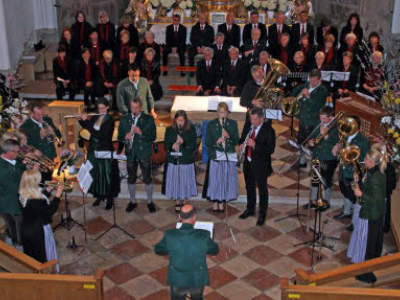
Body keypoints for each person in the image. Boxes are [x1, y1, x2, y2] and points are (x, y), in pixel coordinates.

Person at [154, 204, 219, 300]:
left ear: (179, 217)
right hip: (197, 279)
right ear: (194, 216)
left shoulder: (170, 235)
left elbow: (158, 250)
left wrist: (171, 248)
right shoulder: (204, 235)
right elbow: (215, 250)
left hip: (177, 278)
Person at [347, 146, 387, 283]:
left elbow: (375, 200)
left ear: (374, 162)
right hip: (369, 212)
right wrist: (359, 181)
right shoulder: (372, 171)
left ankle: (364, 272)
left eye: (368, 159)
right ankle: (360, 265)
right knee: (363, 240)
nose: (365, 161)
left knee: (366, 243)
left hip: (371, 215)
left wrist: (360, 194)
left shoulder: (377, 177)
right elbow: (368, 187)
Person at [78, 98, 120, 209]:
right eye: (99, 108)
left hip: (104, 149)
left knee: (106, 175)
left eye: (103, 108)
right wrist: (81, 120)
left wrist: (86, 122)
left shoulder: (110, 120)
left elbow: (99, 133)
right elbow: (88, 127)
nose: (101, 110)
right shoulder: (96, 117)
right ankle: (100, 196)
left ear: (107, 107)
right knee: (96, 174)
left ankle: (109, 199)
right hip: (93, 149)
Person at [118, 97, 157, 213]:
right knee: (131, 178)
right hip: (130, 152)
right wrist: (125, 137)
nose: (134, 110)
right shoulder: (124, 119)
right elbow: (119, 137)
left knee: (147, 178)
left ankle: (150, 201)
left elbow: (153, 136)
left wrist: (141, 133)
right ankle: (133, 201)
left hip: (143, 152)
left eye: (136, 108)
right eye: (132, 107)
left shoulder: (148, 119)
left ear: (141, 107)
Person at [238, 108, 276, 226]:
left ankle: (262, 214)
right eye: (251, 118)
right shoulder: (249, 126)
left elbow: (270, 150)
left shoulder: (269, 130)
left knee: (262, 190)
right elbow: (242, 138)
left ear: (262, 119)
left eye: (255, 119)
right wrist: (241, 145)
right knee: (249, 187)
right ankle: (250, 209)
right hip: (248, 162)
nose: (252, 121)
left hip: (261, 165)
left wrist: (255, 145)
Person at [19, 170, 62, 268]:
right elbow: (49, 210)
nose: (40, 181)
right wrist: (58, 195)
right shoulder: (35, 200)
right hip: (38, 229)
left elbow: (37, 201)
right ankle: (47, 270)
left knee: (31, 251)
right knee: (43, 252)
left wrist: (48, 190)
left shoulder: (22, 192)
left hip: (27, 226)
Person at [203, 102, 239, 212]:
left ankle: (222, 200)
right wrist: (217, 141)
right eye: (221, 112)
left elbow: (237, 140)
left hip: (228, 155)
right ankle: (215, 201)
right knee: (215, 180)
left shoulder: (233, 123)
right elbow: (207, 142)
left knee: (225, 179)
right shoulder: (211, 124)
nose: (223, 115)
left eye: (225, 112)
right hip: (216, 155)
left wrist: (229, 136)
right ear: (217, 113)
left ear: (228, 113)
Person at [333, 116, 370, 224]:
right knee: (345, 192)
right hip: (343, 171)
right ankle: (346, 212)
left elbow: (365, 160)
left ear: (356, 126)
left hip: (353, 174)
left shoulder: (363, 141)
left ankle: (355, 222)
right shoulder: (343, 137)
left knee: (354, 197)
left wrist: (359, 173)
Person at [292, 69, 329, 169]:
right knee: (301, 141)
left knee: (313, 144)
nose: (311, 83)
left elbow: (320, 107)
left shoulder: (323, 91)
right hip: (303, 118)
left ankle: (315, 166)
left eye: (314, 81)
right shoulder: (307, 84)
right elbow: (297, 93)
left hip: (313, 121)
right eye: (310, 80)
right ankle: (302, 161)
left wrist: (309, 96)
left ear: (319, 79)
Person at [164, 111, 198, 213]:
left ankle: (185, 201)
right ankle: (177, 201)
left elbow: (193, 145)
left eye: (182, 120)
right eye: (178, 120)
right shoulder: (170, 130)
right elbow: (166, 145)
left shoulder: (191, 129)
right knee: (176, 181)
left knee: (185, 181)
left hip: (186, 160)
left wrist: (184, 143)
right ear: (175, 120)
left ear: (185, 120)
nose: (180, 122)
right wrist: (172, 146)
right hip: (174, 160)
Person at [306, 106, 339, 208]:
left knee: (326, 180)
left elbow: (338, 142)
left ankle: (326, 202)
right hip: (317, 155)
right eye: (321, 118)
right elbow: (314, 136)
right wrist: (311, 142)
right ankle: (313, 200)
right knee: (315, 179)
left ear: (331, 117)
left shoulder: (337, 126)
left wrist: (326, 136)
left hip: (329, 158)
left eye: (324, 118)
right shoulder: (320, 123)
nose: (321, 120)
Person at [20, 102, 61, 182]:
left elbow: (58, 135)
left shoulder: (47, 120)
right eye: (38, 115)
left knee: (49, 178)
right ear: (32, 113)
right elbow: (26, 146)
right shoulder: (26, 126)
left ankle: (47, 192)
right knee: (39, 181)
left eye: (42, 114)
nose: (41, 117)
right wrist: (41, 138)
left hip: (50, 155)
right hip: (38, 158)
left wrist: (54, 132)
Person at [0, 139, 26, 249]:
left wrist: (25, 166)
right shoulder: (2, 168)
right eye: (16, 152)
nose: (18, 153)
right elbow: (15, 185)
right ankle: (17, 248)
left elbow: (17, 168)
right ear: (9, 152)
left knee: (16, 225)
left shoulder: (12, 160)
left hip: (13, 198)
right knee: (15, 227)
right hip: (8, 202)